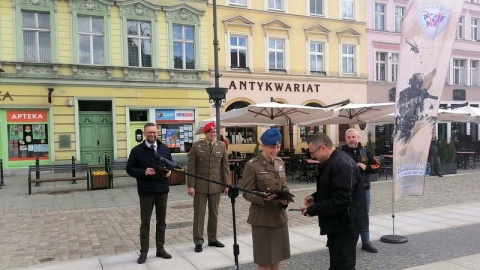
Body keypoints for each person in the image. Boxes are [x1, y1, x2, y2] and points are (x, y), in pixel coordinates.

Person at [300, 132, 367, 270]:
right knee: (337, 265)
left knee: (343, 266)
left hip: (347, 225)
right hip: (337, 224)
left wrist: (313, 210)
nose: (312, 156)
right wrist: (315, 197)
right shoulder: (331, 161)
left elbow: (341, 199)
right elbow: (332, 188)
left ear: (323, 147)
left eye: (313, 152)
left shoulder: (342, 164)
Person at [242, 128, 291, 270]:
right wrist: (263, 198)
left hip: (279, 217)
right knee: (265, 261)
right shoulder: (252, 165)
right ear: (263, 145)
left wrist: (286, 197)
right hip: (262, 219)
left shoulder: (280, 162)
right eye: (271, 147)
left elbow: (284, 185)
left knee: (277, 258)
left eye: (277, 147)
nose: (275, 150)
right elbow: (247, 192)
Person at [126, 123, 173, 264]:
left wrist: (169, 171)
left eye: (154, 132)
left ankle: (160, 249)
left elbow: (170, 163)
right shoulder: (137, 150)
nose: (152, 135)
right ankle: (143, 252)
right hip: (146, 191)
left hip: (162, 189)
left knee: (161, 222)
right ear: (144, 133)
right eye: (149, 132)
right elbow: (129, 168)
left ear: (157, 132)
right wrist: (144, 172)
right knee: (145, 223)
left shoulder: (164, 149)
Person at [187, 122, 230, 252]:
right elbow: (191, 167)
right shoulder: (197, 146)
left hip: (216, 185)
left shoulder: (221, 146)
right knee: (199, 214)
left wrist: (226, 184)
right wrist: (191, 186)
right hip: (200, 186)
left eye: (214, 132)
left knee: (214, 213)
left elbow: (225, 167)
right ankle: (198, 240)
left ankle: (212, 238)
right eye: (210, 132)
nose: (213, 133)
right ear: (205, 133)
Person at [341, 128, 380, 253]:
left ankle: (366, 242)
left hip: (364, 190)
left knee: (364, 216)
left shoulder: (366, 151)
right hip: (348, 191)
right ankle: (348, 242)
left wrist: (366, 166)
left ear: (358, 138)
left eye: (354, 137)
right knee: (347, 216)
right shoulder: (340, 152)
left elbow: (378, 165)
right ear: (345, 138)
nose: (351, 139)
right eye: (349, 137)